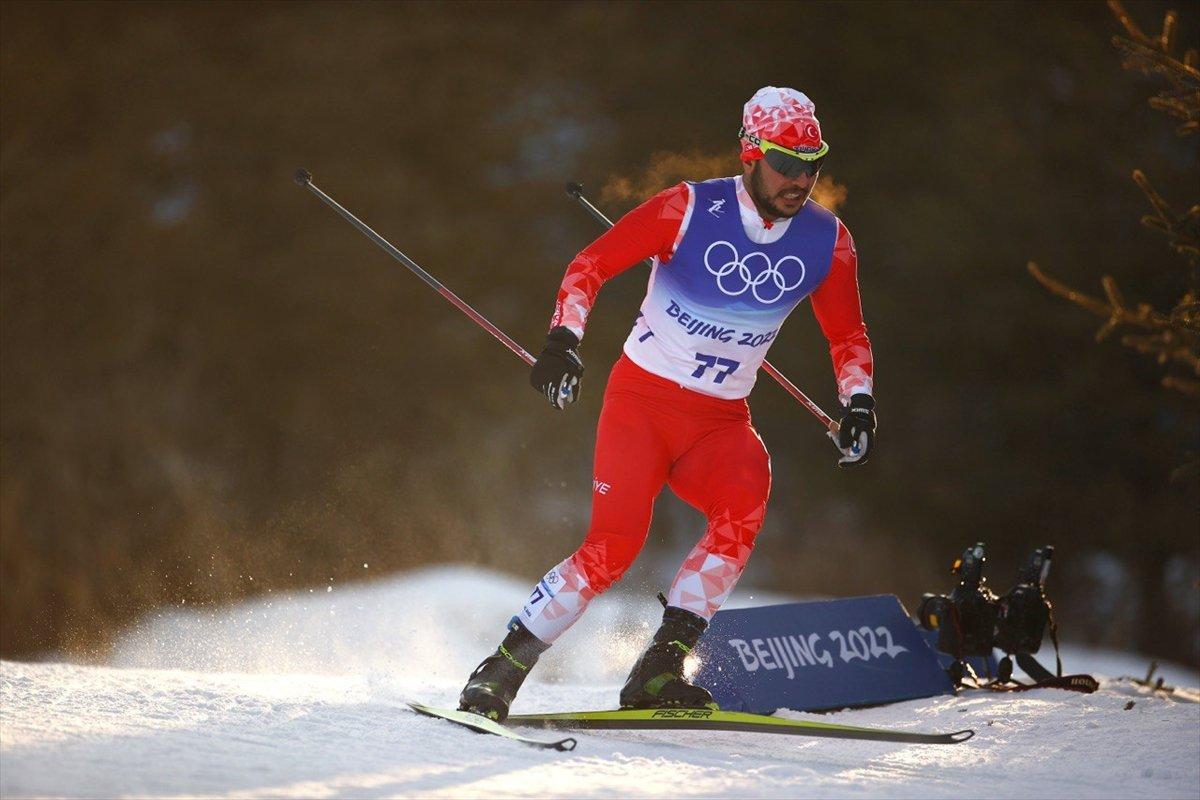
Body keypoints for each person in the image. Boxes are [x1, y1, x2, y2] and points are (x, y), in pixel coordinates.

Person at [459, 86, 876, 721]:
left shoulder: (828, 242)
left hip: (720, 420)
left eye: (811, 163)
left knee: (745, 502)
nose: (800, 179)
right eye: (785, 163)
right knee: (613, 546)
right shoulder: (685, 209)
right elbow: (588, 267)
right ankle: (502, 667)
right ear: (749, 155)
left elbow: (847, 335)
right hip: (643, 406)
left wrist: (859, 404)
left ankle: (659, 669)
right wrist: (563, 341)